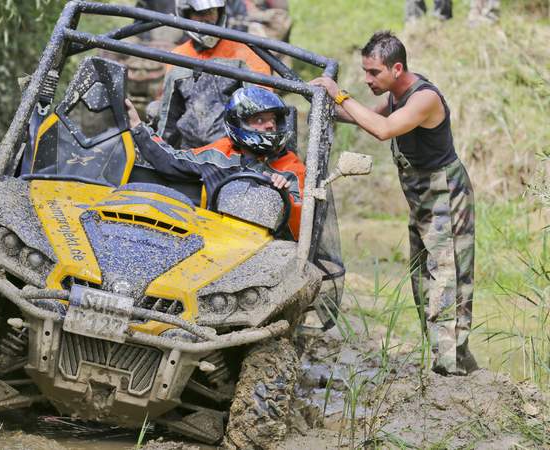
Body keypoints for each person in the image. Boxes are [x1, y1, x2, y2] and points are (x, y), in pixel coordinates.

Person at [310, 31, 476, 376]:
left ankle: (451, 368)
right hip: (421, 199)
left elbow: (383, 130)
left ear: (397, 68)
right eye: (365, 72)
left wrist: (338, 93)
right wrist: (316, 101)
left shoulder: (423, 98)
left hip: (444, 195)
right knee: (422, 278)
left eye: (374, 73)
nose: (367, 79)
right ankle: (446, 357)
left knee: (446, 277)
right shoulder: (395, 96)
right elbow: (364, 117)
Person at [129, 86, 305, 239]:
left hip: (266, 251)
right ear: (239, 122)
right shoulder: (220, 153)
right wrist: (138, 127)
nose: (270, 126)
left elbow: (304, 229)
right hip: (215, 241)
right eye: (260, 120)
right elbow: (173, 160)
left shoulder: (291, 169)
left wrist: (284, 196)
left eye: (273, 120)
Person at [155, 0, 272, 150]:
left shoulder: (246, 53)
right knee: (154, 109)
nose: (207, 18)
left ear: (220, 12)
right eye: (199, 13)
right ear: (186, 14)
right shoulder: (178, 56)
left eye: (211, 12)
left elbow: (264, 111)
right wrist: (159, 151)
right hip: (189, 151)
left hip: (234, 152)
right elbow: (168, 117)